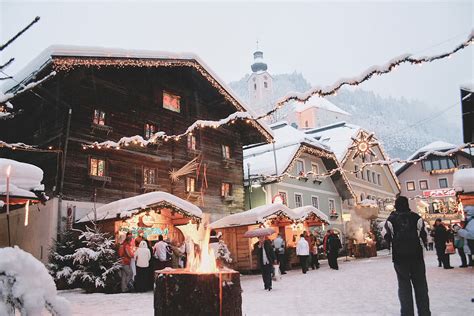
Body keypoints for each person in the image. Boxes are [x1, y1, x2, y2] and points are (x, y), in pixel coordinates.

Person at [383, 196, 431, 316]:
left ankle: (407, 313)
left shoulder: (390, 219)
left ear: (396, 205)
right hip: (416, 256)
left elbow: (386, 236)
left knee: (404, 286)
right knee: (421, 286)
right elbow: (425, 235)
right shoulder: (416, 217)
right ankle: (424, 313)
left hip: (399, 258)